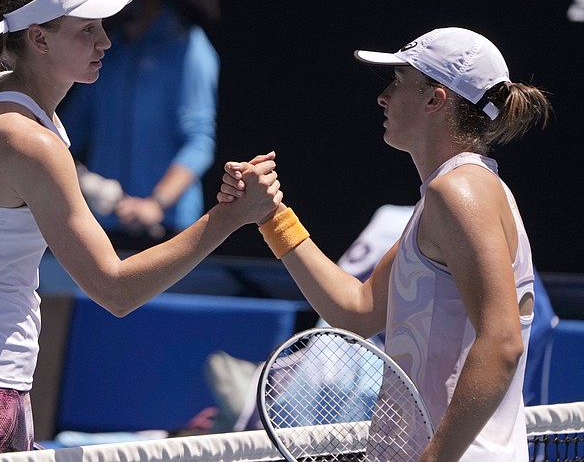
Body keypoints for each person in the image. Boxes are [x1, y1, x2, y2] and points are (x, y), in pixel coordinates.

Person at [0, 0, 281, 460]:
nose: (105, 42)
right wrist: (231, 216)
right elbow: (115, 289)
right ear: (39, 39)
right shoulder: (31, 141)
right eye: (87, 30)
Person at [220, 27, 552, 461]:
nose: (384, 97)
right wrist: (271, 217)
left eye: (398, 83)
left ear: (436, 100)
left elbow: (502, 341)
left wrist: (433, 459)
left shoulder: (459, 192)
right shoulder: (449, 195)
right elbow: (355, 312)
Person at [60, 0, 219, 246]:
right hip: (102, 221)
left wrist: (156, 203)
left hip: (165, 226)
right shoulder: (109, 48)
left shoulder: (188, 46)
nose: (123, 11)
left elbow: (199, 142)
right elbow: (67, 133)